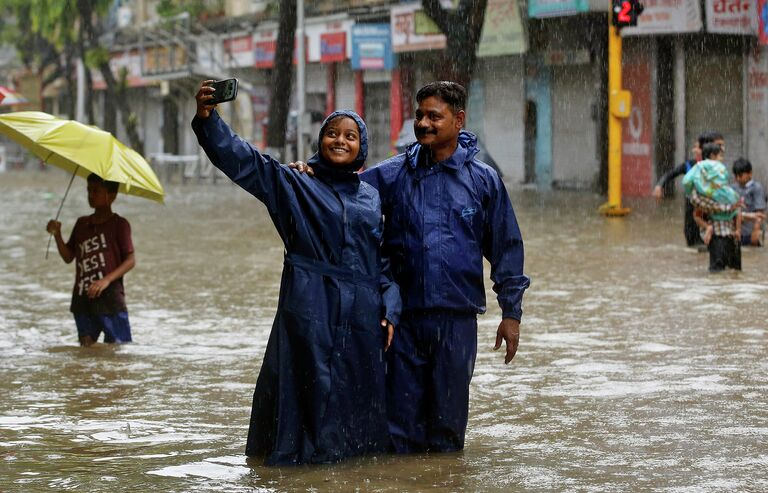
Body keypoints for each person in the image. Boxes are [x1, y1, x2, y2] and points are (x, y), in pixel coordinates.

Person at [293, 81, 529, 453]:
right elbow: (342, 190)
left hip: (456, 322)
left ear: (459, 120)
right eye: (419, 115)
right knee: (398, 430)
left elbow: (506, 250)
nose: (423, 123)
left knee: (448, 430)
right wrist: (309, 172)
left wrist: (511, 313)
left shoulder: (484, 182)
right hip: (401, 324)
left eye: (434, 116)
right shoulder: (392, 174)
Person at [191, 81, 401, 466]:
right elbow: (247, 162)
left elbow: (382, 258)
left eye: (350, 136)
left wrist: (390, 306)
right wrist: (209, 121)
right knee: (305, 386)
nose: (340, 141)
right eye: (332, 134)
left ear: (362, 148)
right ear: (320, 141)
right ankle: (295, 471)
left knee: (355, 400)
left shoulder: (371, 197)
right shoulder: (295, 182)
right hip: (309, 303)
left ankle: (347, 471)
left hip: (361, 312)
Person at [45, 173, 135, 346]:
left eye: (96, 191)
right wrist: (57, 235)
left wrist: (106, 280)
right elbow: (68, 257)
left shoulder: (120, 224)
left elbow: (130, 260)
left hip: (110, 300)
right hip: (82, 298)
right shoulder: (82, 224)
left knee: (118, 350)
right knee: (86, 351)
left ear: (112, 196)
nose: (91, 195)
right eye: (88, 190)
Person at [653, 131, 725, 247]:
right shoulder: (689, 165)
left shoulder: (717, 169)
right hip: (692, 217)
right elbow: (671, 174)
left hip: (709, 218)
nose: (694, 150)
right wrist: (659, 185)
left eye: (696, 148)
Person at [684, 142, 742, 272]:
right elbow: (701, 211)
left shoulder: (712, 190)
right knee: (728, 272)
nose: (722, 159)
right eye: (720, 155)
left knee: (726, 273)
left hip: (728, 235)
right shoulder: (706, 189)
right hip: (723, 235)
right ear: (712, 156)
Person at [731, 158, 766, 246]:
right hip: (736, 231)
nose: (738, 178)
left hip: (749, 232)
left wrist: (755, 231)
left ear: (750, 173)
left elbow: (760, 212)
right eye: (736, 176)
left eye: (740, 175)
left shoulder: (756, 188)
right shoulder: (733, 188)